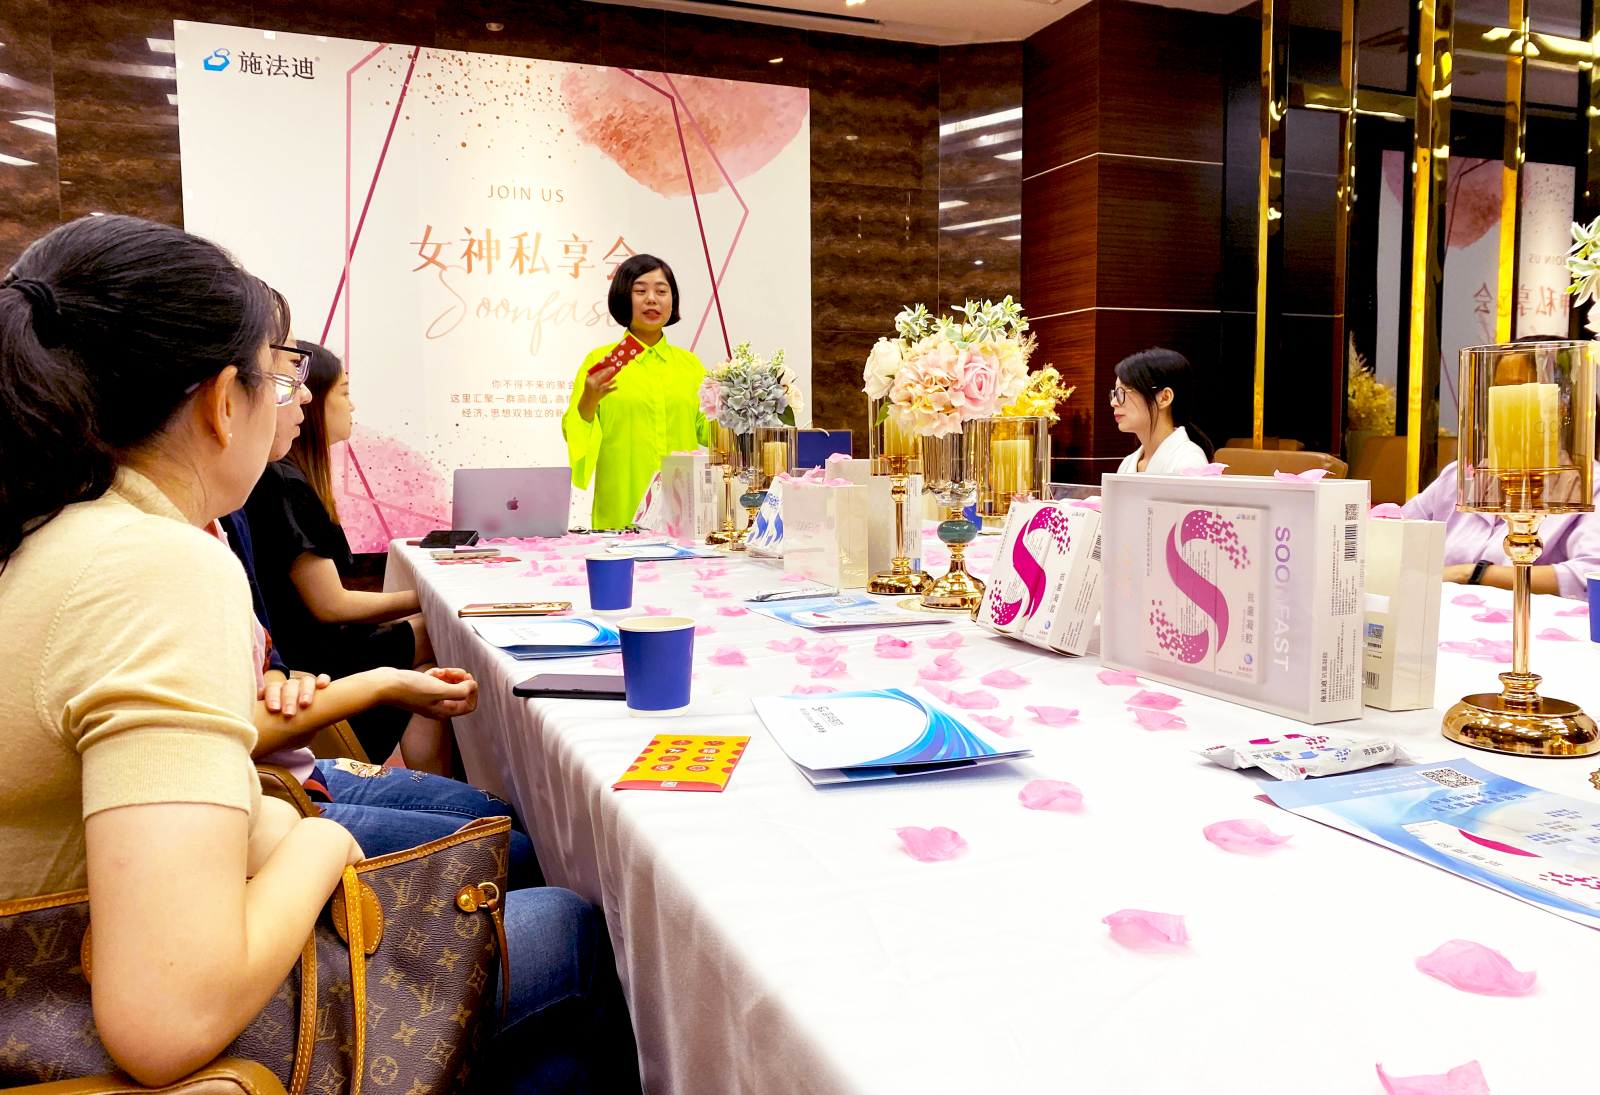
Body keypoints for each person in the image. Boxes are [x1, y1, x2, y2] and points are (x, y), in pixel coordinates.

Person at [0, 215, 636, 1092]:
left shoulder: (49, 529)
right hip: (108, 1031)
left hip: (59, 981)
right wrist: (321, 842)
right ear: (223, 401)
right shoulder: (152, 562)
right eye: (276, 375)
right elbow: (168, 1015)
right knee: (567, 931)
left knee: (551, 1058)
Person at [220, 323, 539, 884]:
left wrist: (275, 675)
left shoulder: (237, 513)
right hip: (306, 712)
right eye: (287, 377)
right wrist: (389, 673)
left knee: (499, 820)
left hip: (293, 734)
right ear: (223, 400)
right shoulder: (268, 492)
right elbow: (328, 608)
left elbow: (264, 661)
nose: (305, 397)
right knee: (518, 853)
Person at [243, 338, 450, 772]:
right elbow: (331, 605)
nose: (352, 406)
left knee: (434, 651)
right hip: (313, 662)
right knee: (443, 632)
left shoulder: (291, 478)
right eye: (344, 392)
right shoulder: (284, 483)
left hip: (307, 654)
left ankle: (432, 783)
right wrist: (434, 596)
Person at [1402, 334, 1600, 598]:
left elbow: (1589, 577)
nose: (1503, 404)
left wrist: (1474, 574)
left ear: (1561, 404)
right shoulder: (1463, 477)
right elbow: (1398, 534)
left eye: (1518, 389)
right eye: (1497, 390)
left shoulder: (1590, 486)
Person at [562, 253, 715, 528]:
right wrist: (589, 400)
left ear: (673, 300)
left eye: (661, 291)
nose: (652, 299)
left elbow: (706, 430)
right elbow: (574, 430)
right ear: (623, 297)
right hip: (622, 508)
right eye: (640, 291)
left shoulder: (690, 364)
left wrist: (741, 407)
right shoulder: (603, 362)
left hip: (683, 510)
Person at [1110, 347, 1214, 475]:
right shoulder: (1128, 463)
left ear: (1164, 398)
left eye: (1122, 393)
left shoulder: (1188, 462)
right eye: (1115, 394)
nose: (1114, 402)